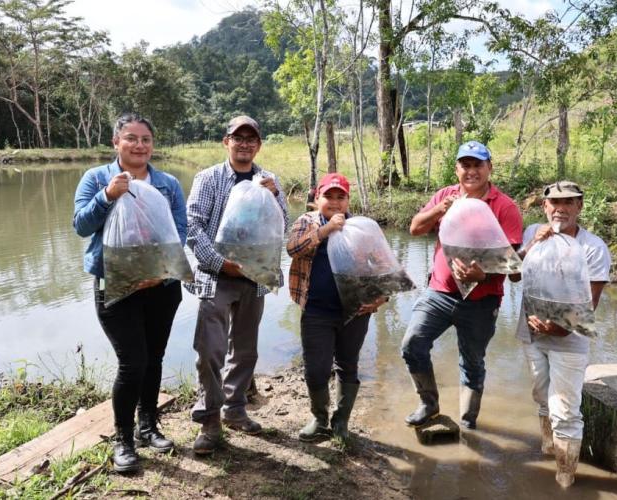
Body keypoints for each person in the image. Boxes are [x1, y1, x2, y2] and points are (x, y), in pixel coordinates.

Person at [73, 113, 186, 473]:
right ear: (116, 143)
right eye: (131, 138)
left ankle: (147, 426)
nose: (139, 145)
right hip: (116, 284)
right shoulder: (97, 178)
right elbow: (81, 225)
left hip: (161, 286)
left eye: (146, 139)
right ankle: (123, 437)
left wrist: (158, 272)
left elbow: (179, 231)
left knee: (154, 357)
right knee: (132, 361)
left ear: (153, 144)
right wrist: (108, 195)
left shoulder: (167, 184)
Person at [401, 140, 523, 431]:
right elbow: (415, 228)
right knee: (412, 344)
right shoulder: (446, 195)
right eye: (465, 165)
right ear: (457, 169)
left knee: (472, 362)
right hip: (440, 292)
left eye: (477, 165)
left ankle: (468, 422)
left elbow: (512, 261)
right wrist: (440, 209)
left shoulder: (504, 206)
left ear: (489, 168)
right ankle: (429, 404)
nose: (471, 171)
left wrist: (484, 275)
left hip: (482, 300)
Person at [185, 115, 288, 455]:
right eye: (237, 138)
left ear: (258, 145)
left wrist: (275, 198)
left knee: (244, 349)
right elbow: (193, 227)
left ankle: (235, 409)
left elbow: (281, 226)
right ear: (225, 141)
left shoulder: (268, 181)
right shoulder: (209, 179)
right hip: (216, 277)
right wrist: (219, 263)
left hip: (254, 278)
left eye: (251, 139)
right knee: (210, 350)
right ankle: (210, 420)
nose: (244, 144)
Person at [515, 181, 610, 488]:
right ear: (545, 207)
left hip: (569, 340)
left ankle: (564, 477)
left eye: (569, 202)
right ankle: (547, 446)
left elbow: (589, 305)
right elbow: (514, 274)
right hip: (532, 332)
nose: (561, 208)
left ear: (579, 206)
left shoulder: (593, 248)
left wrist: (559, 327)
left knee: (565, 411)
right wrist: (531, 246)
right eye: (554, 202)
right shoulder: (533, 233)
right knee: (541, 396)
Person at [286, 173, 387, 442]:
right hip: (316, 310)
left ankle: (341, 422)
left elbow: (383, 268)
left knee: (348, 365)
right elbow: (293, 249)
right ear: (317, 199)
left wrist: (380, 298)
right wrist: (326, 230)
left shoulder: (362, 227)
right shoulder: (305, 222)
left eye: (340, 197)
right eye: (328, 196)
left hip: (354, 311)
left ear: (347, 200)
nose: (334, 202)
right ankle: (319, 419)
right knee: (315, 369)